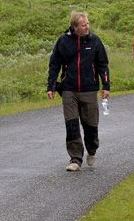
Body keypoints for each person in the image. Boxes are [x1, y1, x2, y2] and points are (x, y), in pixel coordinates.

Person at [47, 12, 110, 172]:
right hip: (69, 89)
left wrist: (106, 85)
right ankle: (75, 158)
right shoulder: (63, 41)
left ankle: (92, 149)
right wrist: (51, 86)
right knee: (72, 124)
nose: (87, 26)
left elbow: (103, 64)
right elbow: (54, 64)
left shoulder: (95, 41)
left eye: (88, 23)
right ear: (75, 27)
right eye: (83, 25)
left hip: (89, 89)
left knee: (91, 125)